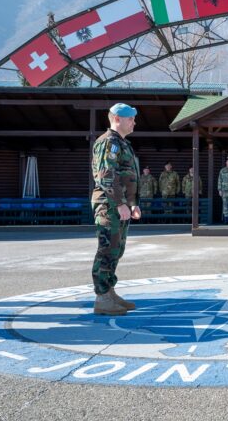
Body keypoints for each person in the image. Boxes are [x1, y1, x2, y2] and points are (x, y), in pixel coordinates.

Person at [90, 103, 141, 316]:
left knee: (116, 249)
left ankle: (109, 292)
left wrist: (132, 203)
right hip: (109, 204)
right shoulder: (109, 142)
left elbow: (128, 176)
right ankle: (102, 297)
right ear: (117, 119)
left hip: (120, 205)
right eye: (131, 118)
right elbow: (106, 175)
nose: (134, 122)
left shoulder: (123, 144)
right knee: (107, 249)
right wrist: (119, 203)